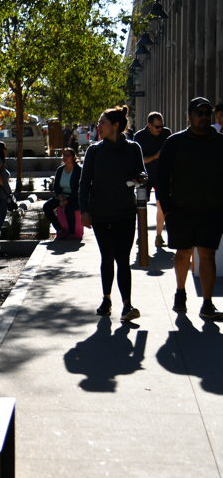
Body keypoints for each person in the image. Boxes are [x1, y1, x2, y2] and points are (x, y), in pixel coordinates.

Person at [156, 97, 223, 318]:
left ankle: (207, 303)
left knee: (207, 254)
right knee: (183, 253)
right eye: (199, 113)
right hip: (181, 210)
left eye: (207, 113)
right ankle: (180, 292)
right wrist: (167, 209)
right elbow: (161, 178)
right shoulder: (175, 142)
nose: (204, 117)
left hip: (212, 211)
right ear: (189, 116)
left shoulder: (220, 142)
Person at [79, 105, 146, 321]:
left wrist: (140, 178)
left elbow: (142, 173)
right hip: (101, 213)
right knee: (107, 257)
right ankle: (106, 299)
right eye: (99, 122)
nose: (98, 126)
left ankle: (127, 305)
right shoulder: (94, 151)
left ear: (115, 126)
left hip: (125, 212)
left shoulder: (133, 148)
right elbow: (84, 183)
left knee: (123, 259)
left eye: (102, 122)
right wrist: (84, 211)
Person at [132, 111, 172, 247]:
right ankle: (141, 235)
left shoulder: (166, 133)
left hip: (161, 175)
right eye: (157, 127)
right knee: (141, 207)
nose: (160, 129)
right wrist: (155, 156)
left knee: (161, 205)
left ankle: (159, 236)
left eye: (162, 126)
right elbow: (138, 160)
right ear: (149, 125)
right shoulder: (139, 136)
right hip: (144, 176)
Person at [43, 146, 81, 237]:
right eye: (64, 155)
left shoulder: (78, 170)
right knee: (46, 207)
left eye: (68, 155)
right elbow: (56, 186)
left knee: (69, 209)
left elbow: (79, 189)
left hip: (74, 197)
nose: (65, 157)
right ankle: (59, 229)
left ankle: (72, 232)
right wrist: (60, 197)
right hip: (61, 196)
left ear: (73, 157)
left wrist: (67, 200)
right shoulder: (60, 169)